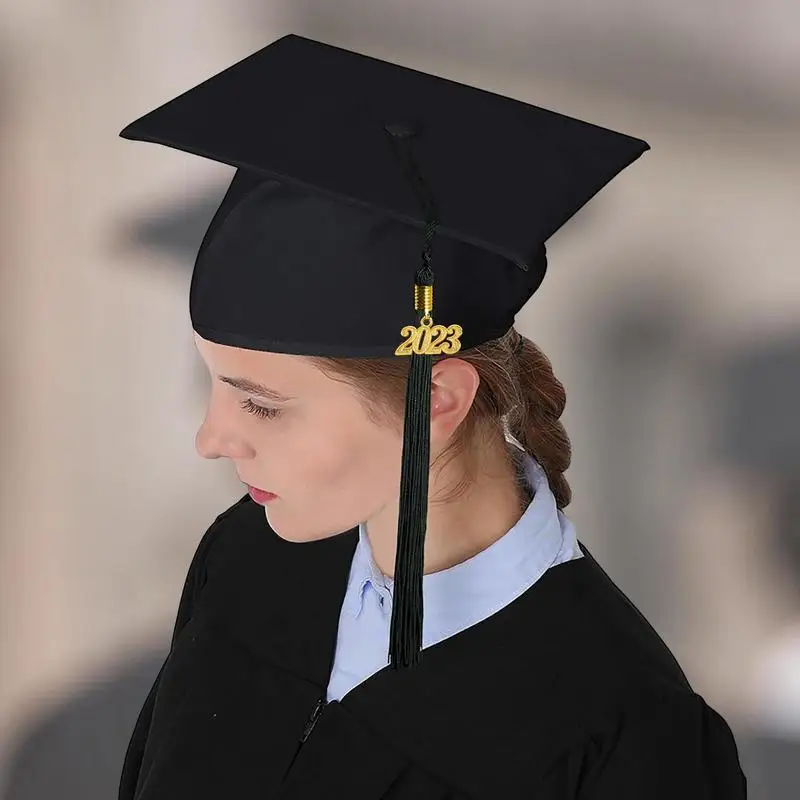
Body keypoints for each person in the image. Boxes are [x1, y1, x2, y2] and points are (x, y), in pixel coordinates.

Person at [117, 33, 747, 799]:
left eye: (261, 404)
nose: (211, 438)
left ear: (437, 402)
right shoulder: (248, 561)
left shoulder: (624, 727)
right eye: (217, 386)